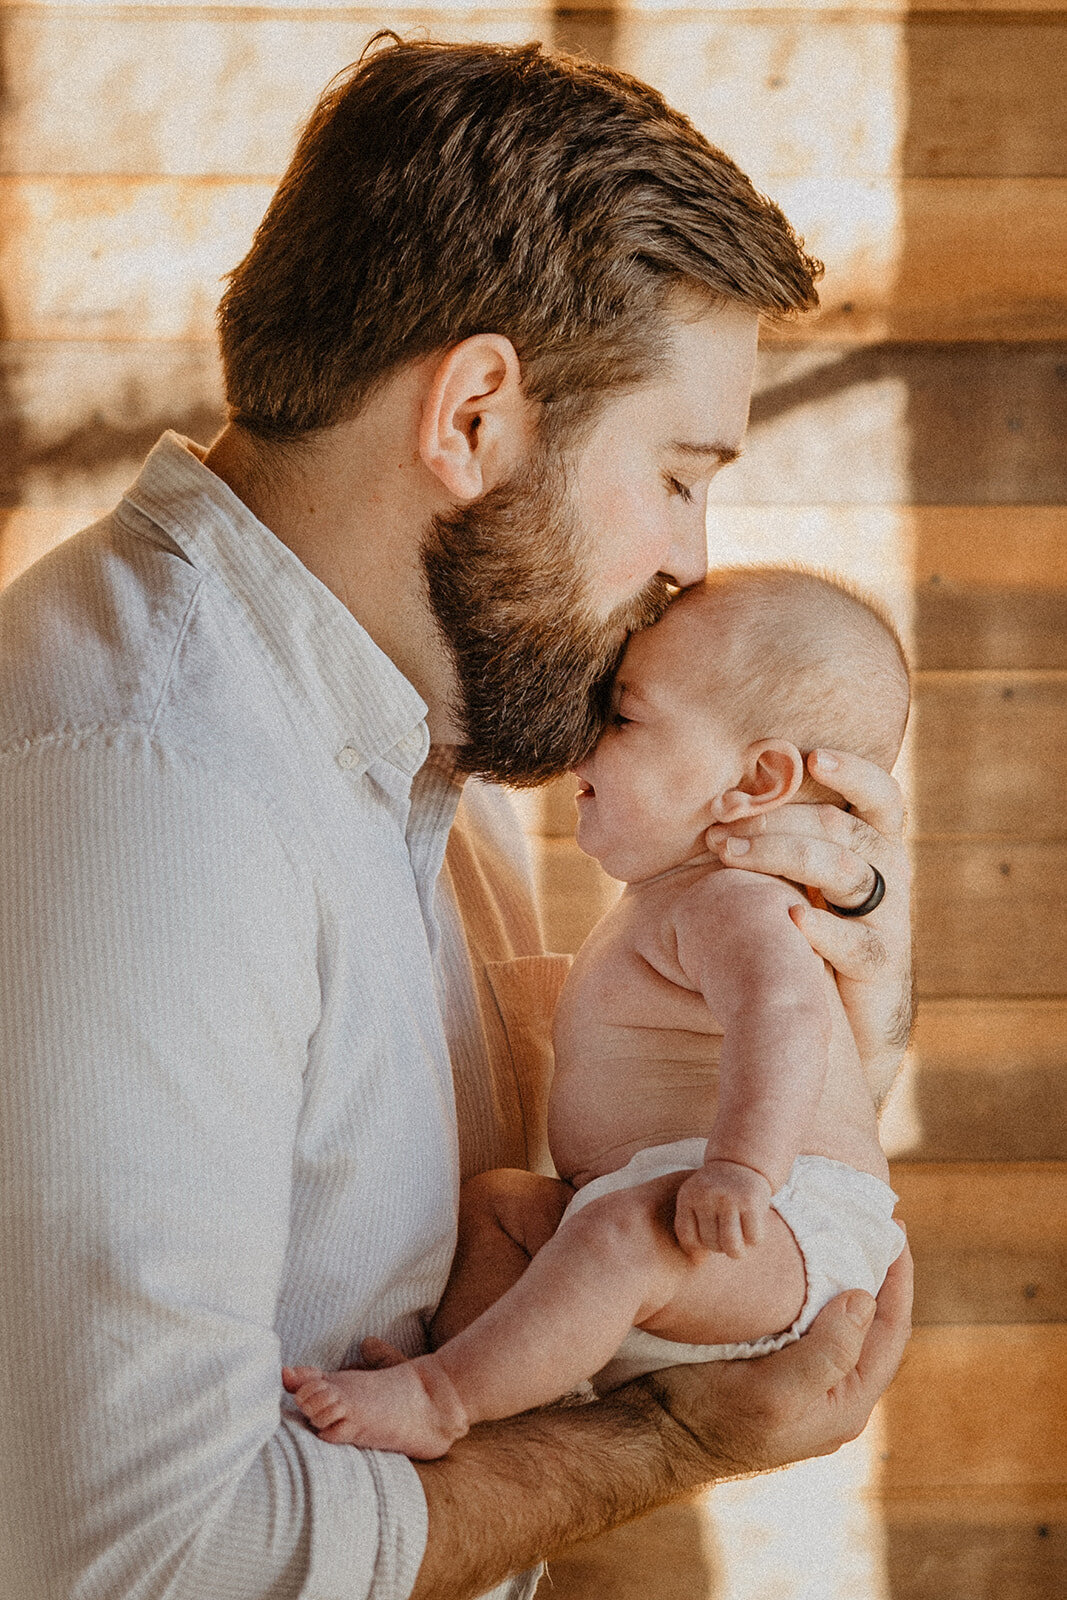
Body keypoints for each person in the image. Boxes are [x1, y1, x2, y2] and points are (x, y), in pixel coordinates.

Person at [0, 37, 913, 1600]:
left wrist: (844, 1018)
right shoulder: (155, 791)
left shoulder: (408, 760)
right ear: (477, 415)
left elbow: (585, 1203)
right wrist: (681, 1445)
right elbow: (140, 1561)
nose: (696, 565)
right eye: (681, 474)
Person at [281, 567, 910, 1458]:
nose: (582, 746)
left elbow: (788, 1019)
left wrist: (740, 1167)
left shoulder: (735, 901)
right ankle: (482, 1370)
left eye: (621, 717)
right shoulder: (668, 901)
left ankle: (442, 1396)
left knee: (620, 1234)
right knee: (502, 1205)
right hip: (659, 1203)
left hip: (784, 1220)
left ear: (755, 779)